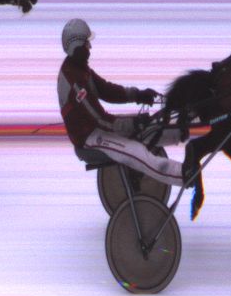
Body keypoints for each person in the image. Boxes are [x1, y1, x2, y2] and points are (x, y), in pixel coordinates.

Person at [54, 19, 187, 184]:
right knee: (138, 153)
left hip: (99, 127)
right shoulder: (73, 81)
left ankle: (182, 133)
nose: (90, 48)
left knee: (151, 126)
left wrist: (138, 95)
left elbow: (107, 90)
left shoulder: (79, 68)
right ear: (77, 45)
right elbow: (99, 120)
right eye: (87, 44)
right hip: (90, 138)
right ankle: (186, 174)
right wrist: (133, 123)